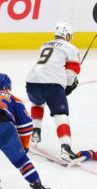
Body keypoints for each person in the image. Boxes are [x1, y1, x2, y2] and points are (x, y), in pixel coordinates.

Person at [26, 22, 83, 163]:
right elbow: (72, 72)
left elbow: (48, 65)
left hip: (31, 82)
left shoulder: (45, 44)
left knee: (37, 102)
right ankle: (66, 148)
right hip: (51, 85)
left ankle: (35, 133)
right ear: (67, 35)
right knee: (61, 115)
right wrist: (69, 86)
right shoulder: (70, 48)